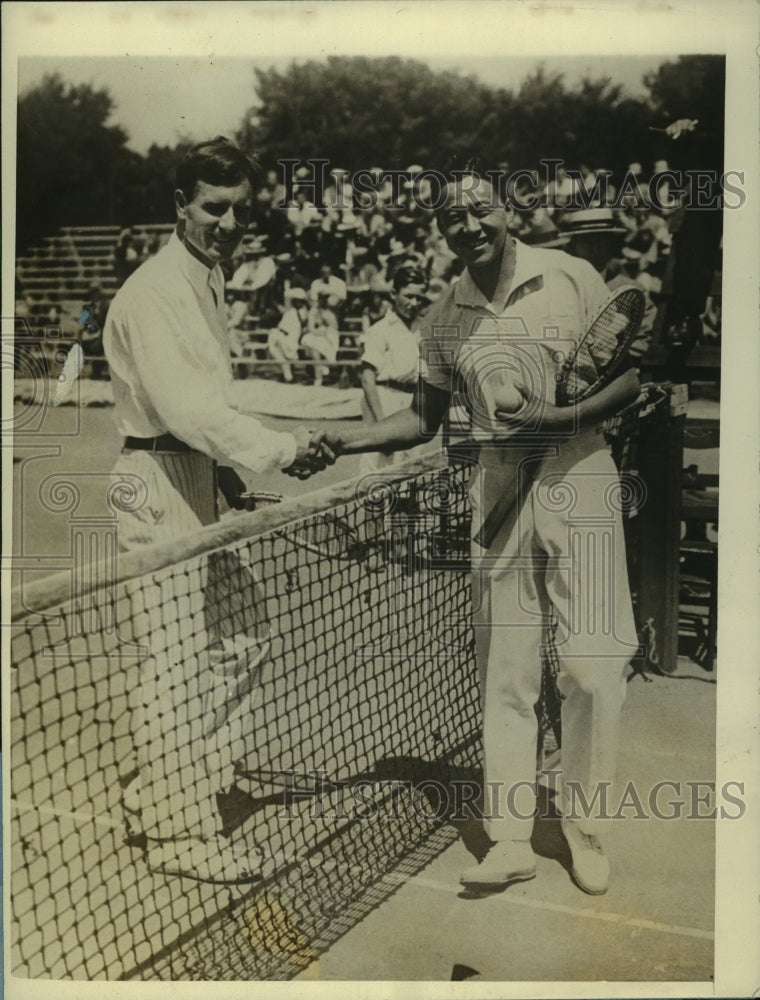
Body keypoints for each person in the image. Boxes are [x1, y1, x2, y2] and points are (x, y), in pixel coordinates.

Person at [294, 166, 640, 896]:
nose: (469, 226)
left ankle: (584, 829)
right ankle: (510, 838)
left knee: (595, 663)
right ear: (441, 230)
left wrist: (558, 420)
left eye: (481, 211)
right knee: (506, 669)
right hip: (498, 483)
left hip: (581, 470)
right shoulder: (444, 316)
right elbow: (423, 415)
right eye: (453, 218)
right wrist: (342, 441)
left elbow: (628, 380)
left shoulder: (570, 275)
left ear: (508, 211)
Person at [103, 137, 328, 884]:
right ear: (180, 204)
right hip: (155, 481)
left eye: (237, 208)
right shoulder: (152, 290)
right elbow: (186, 407)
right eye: (213, 207)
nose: (228, 221)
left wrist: (228, 475)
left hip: (194, 475)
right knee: (173, 664)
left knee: (242, 637)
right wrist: (285, 451)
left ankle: (173, 782)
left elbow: (208, 404)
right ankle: (177, 835)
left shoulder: (211, 273)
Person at [359, 263, 438, 471]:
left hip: (415, 403)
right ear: (394, 294)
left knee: (411, 468)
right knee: (380, 468)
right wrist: (381, 425)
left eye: (419, 297)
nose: (414, 303)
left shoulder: (424, 328)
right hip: (387, 399)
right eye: (408, 296)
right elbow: (367, 379)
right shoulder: (381, 330)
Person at [267, 287, 310, 382]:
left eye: (298, 301)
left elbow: (288, 295)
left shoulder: (303, 311)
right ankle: (288, 374)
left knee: (286, 354)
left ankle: (288, 375)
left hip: (289, 337)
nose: (296, 302)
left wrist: (303, 298)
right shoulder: (291, 309)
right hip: (279, 333)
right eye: (295, 301)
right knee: (272, 347)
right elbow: (287, 295)